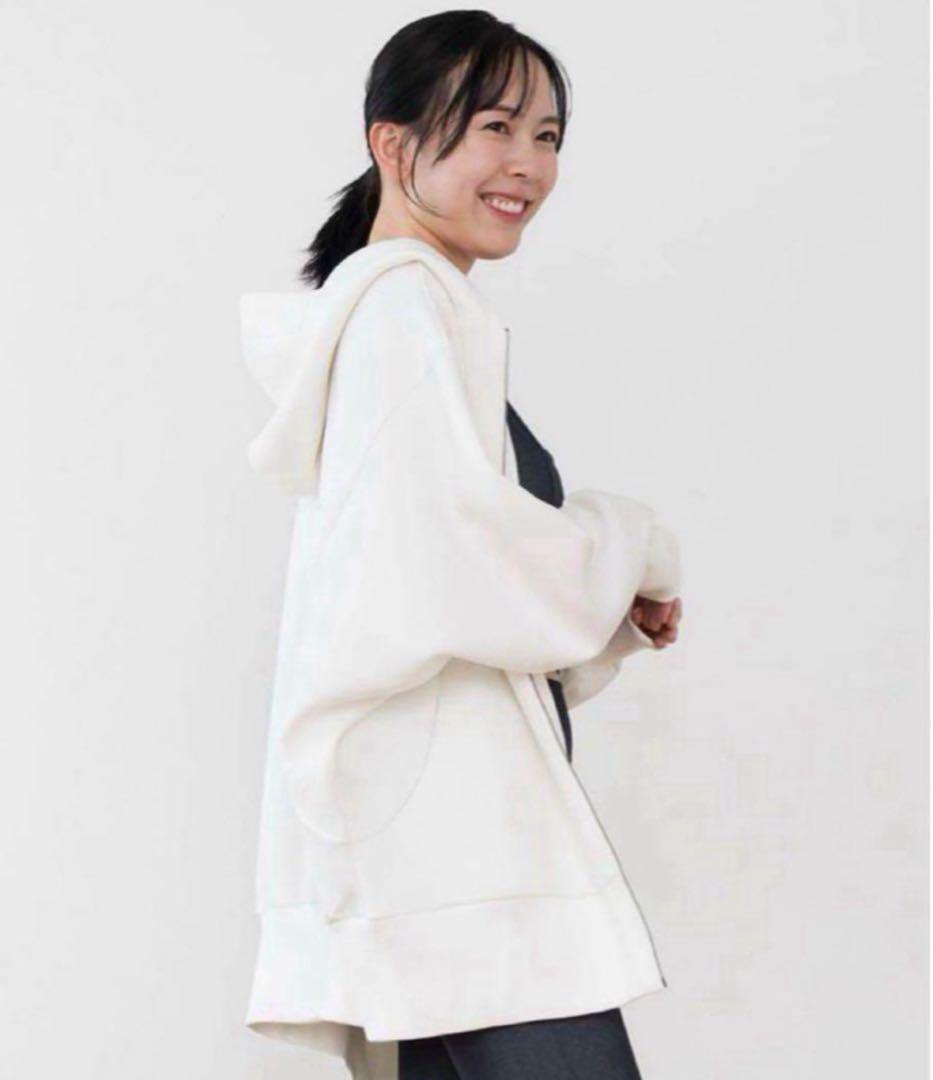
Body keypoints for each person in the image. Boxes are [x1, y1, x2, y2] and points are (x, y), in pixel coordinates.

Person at [240, 11, 683, 1079]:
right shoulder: (402, 316)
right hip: (457, 850)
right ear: (392, 144)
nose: (527, 164)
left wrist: (597, 603)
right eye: (495, 127)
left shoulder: (406, 317)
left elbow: (427, 566)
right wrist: (636, 545)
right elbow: (462, 559)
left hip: (437, 838)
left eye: (548, 136)